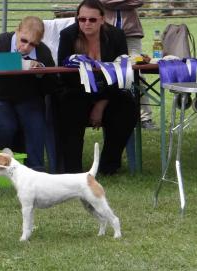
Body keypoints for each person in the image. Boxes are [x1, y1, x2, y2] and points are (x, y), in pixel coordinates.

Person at [56, 0, 138, 174]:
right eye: (82, 19)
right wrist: (90, 100)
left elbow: (120, 73)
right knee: (69, 105)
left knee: (128, 106)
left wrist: (100, 104)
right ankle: (73, 169)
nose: (86, 23)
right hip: (77, 91)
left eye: (92, 20)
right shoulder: (67, 35)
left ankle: (109, 166)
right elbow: (65, 75)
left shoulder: (116, 35)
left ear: (102, 19)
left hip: (109, 92)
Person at [0, 16, 57, 172]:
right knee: (4, 124)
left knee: (35, 123)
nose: (25, 47)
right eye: (23, 40)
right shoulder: (0, 41)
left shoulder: (43, 52)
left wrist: (41, 72)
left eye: (32, 44)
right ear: (17, 31)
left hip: (27, 99)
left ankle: (35, 169)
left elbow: (53, 85)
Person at [100, 0, 157, 130]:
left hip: (132, 34)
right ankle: (109, 112)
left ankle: (145, 118)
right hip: (106, 32)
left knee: (137, 72)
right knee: (109, 72)